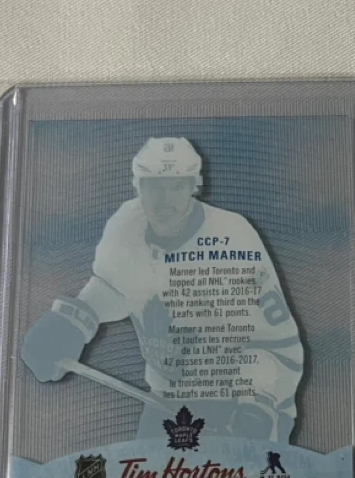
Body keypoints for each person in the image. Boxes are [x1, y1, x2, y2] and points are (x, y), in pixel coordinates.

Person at [22, 137, 303, 442]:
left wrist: (257, 404)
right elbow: (115, 289)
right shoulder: (126, 225)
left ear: (195, 186)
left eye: (177, 186)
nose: (164, 200)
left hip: (246, 398)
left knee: (242, 471)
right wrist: (69, 324)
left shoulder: (233, 237)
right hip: (169, 396)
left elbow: (274, 342)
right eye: (154, 186)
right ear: (137, 186)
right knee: (145, 473)